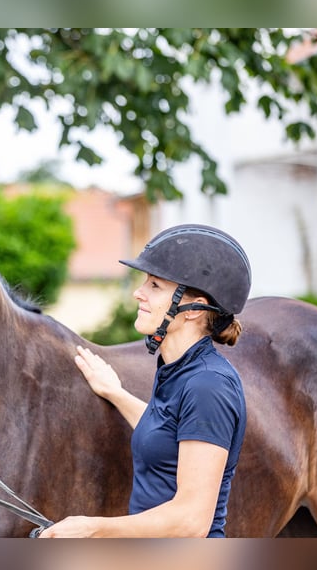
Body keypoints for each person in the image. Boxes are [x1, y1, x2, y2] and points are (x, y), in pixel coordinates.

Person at [41, 224, 251, 538]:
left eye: (155, 285)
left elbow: (191, 522)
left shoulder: (208, 386)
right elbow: (168, 434)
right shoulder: (177, 368)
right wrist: (115, 393)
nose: (138, 292)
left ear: (193, 309)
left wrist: (93, 528)